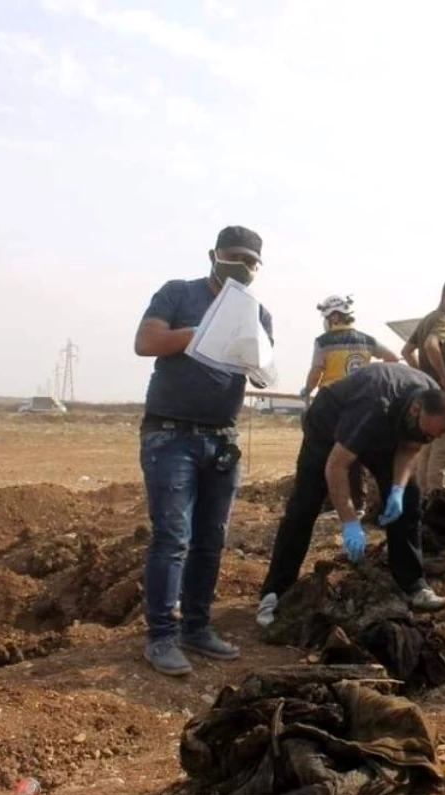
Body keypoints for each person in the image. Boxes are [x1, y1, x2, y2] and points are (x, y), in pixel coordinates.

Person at [134, 225, 273, 676]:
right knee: (173, 537)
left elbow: (261, 374)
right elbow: (146, 342)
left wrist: (256, 358)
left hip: (221, 438)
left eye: (252, 262)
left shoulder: (257, 314)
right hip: (170, 435)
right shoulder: (178, 294)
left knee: (210, 541)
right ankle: (161, 636)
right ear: (213, 254)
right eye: (236, 257)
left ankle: (196, 626)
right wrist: (204, 332)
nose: (244, 267)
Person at [256, 363, 445, 627]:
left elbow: (410, 448)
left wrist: (396, 490)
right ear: (415, 410)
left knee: (409, 501)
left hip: (383, 434)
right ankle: (276, 592)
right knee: (303, 508)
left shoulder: (432, 403)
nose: (427, 437)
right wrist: (350, 523)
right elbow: (337, 465)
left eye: (434, 436)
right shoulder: (374, 405)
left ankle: (413, 586)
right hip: (327, 430)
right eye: (426, 432)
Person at [303, 294, 398, 510]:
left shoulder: (323, 341)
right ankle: (359, 503)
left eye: (327, 317)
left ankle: (330, 501)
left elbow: (317, 371)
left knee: (328, 453)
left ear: (334, 317)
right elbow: (392, 357)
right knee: (353, 452)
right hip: (361, 403)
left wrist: (307, 390)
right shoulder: (366, 339)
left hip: (331, 404)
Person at [402, 278, 445, 493]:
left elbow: (406, 351)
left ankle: (423, 503)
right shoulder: (442, 320)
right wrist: (444, 378)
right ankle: (436, 503)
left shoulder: (426, 320)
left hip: (429, 396)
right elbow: (432, 345)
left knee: (427, 454)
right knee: (441, 454)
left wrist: (423, 377)